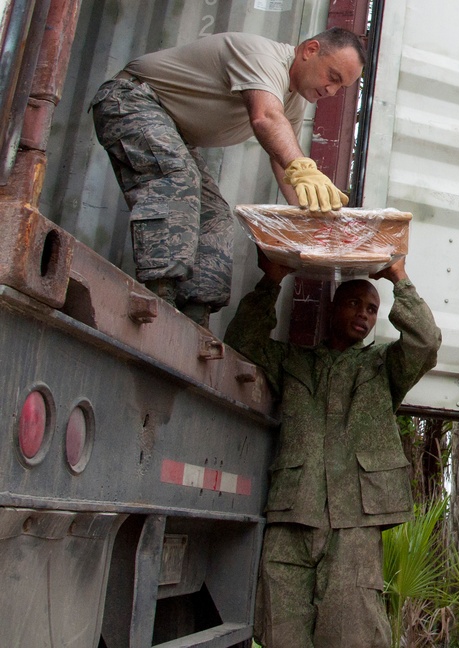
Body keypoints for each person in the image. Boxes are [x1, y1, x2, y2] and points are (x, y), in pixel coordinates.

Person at [225, 248, 440, 648]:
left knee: (351, 631)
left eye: (372, 309)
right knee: (281, 631)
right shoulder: (294, 361)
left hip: (355, 521)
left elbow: (426, 344)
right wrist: (271, 281)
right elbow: (242, 341)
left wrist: (399, 279)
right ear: (333, 308)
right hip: (293, 513)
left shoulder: (383, 367)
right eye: (355, 303)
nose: (364, 314)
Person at [90, 28, 365, 324]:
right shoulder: (264, 58)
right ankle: (160, 294)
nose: (332, 91)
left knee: (216, 215)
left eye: (341, 87)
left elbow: (281, 157)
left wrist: (316, 222)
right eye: (333, 77)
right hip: (132, 99)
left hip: (172, 129)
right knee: (178, 178)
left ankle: (196, 312)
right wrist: (304, 168)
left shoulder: (293, 100)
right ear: (310, 50)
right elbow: (266, 118)